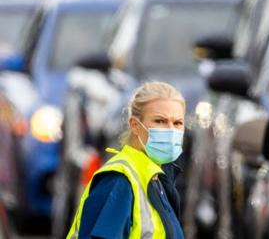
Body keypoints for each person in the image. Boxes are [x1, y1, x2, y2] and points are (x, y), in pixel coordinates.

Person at [67, 81, 185, 238]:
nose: (171, 130)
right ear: (135, 125)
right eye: (160, 121)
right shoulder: (119, 180)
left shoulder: (157, 179)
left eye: (177, 123)